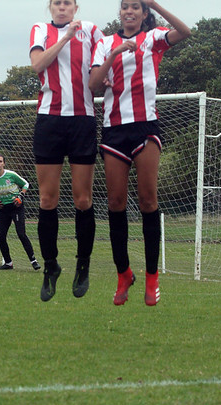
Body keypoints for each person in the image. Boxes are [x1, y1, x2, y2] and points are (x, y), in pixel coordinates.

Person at [89, 0, 190, 306]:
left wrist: (155, 3)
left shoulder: (154, 38)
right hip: (114, 130)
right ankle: (123, 274)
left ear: (144, 13)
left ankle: (151, 277)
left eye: (136, 6)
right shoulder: (105, 43)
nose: (129, 11)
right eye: (125, 7)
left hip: (146, 127)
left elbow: (185, 31)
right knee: (116, 202)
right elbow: (93, 86)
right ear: (120, 13)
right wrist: (116, 54)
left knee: (148, 200)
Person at [30, 0, 104, 301]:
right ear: (51, 7)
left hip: (82, 120)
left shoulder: (93, 31)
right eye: (57, 3)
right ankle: (50, 266)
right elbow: (37, 65)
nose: (62, 8)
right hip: (49, 120)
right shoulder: (40, 30)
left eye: (68, 3)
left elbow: (103, 64)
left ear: (76, 7)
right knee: (47, 199)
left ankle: (82, 265)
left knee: (83, 199)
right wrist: (65, 38)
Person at [0, 154, 41, 271]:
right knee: (1, 237)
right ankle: (8, 263)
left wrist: (21, 196)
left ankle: (34, 261)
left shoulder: (11, 175)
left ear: (4, 163)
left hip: (16, 207)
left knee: (21, 234)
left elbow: (25, 184)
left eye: (0, 161)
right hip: (3, 209)